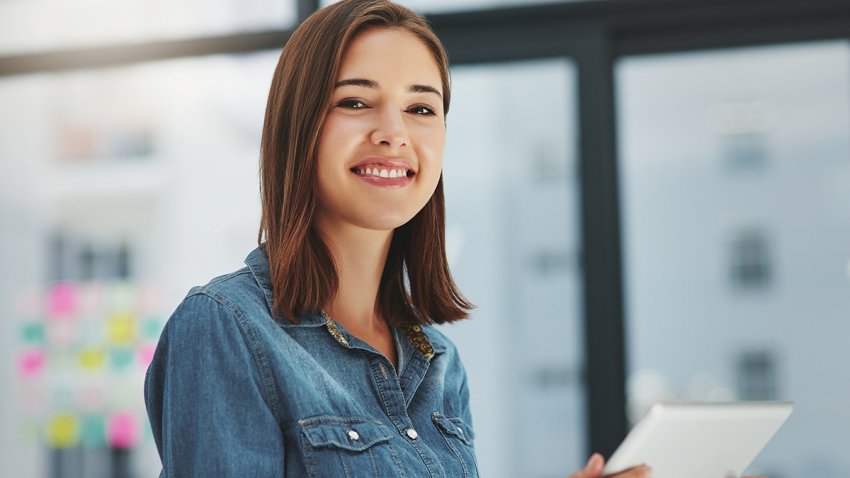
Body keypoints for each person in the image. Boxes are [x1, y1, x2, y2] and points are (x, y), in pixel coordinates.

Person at [145, 1, 764, 477]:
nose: (394, 133)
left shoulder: (438, 363)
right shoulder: (224, 327)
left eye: (422, 109)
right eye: (357, 102)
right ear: (298, 126)